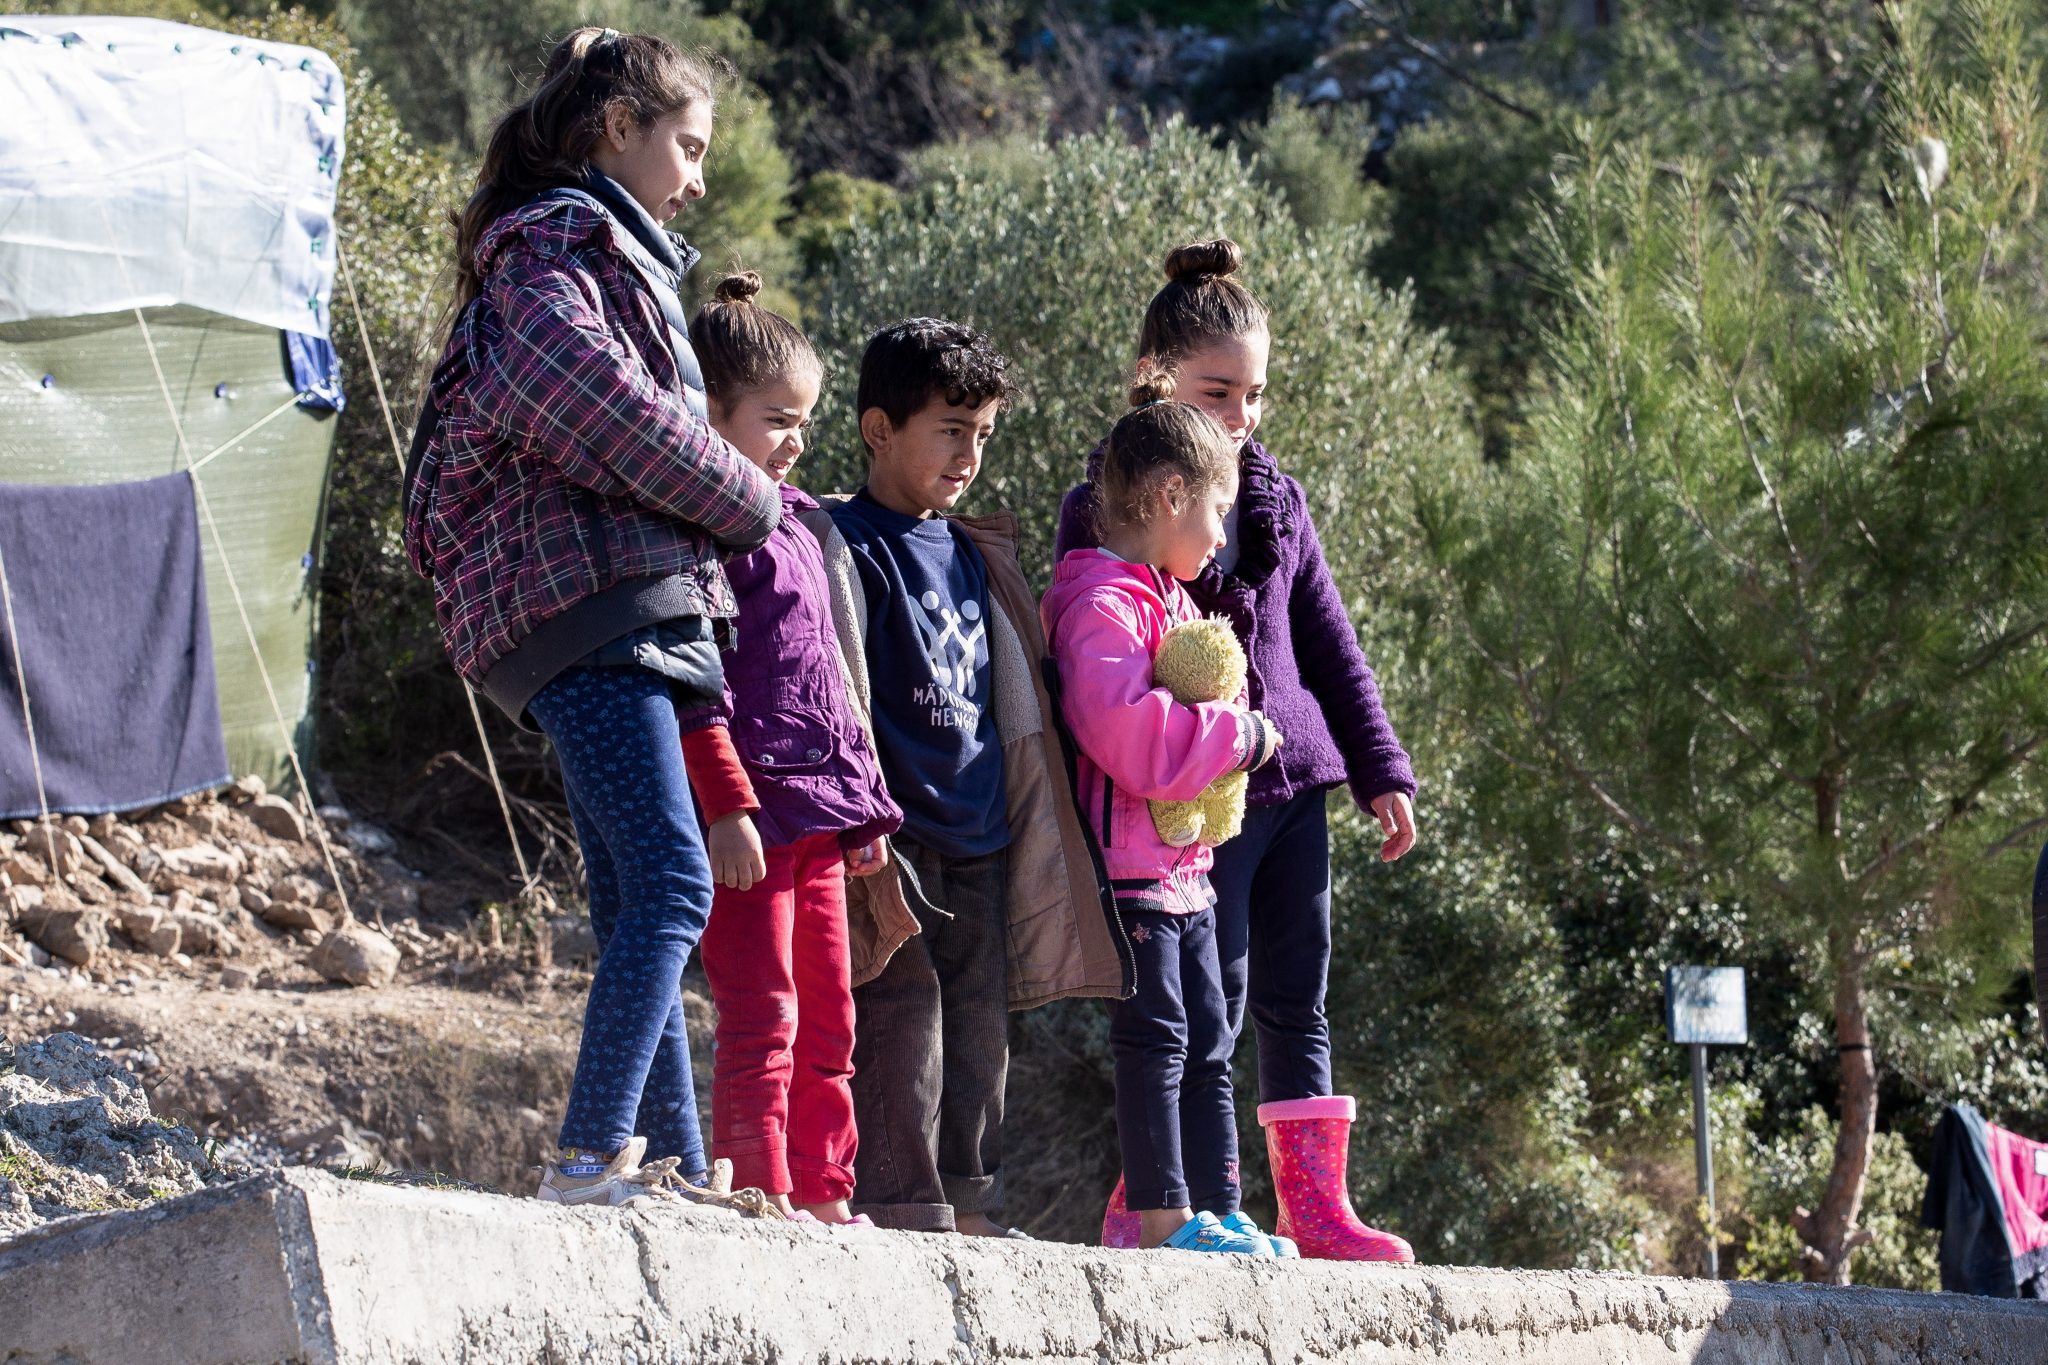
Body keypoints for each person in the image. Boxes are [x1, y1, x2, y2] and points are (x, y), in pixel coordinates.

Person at [403, 27, 780, 1207]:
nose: (701, 177)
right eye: (689, 144)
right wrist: (747, 498)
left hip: (609, 608)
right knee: (674, 885)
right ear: (619, 129)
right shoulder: (557, 245)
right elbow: (580, 398)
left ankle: (663, 1170)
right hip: (587, 608)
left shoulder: (600, 252)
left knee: (633, 895)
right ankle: (583, 1158)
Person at [1054, 239, 1419, 1261]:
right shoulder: (1114, 508)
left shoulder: (1278, 498)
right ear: (1152, 377)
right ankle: (1172, 1195)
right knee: (1200, 1010)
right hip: (1191, 805)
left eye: (1254, 394)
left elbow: (1329, 642)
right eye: (1219, 390)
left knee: (1296, 998)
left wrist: (1379, 768)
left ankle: (1315, 1215)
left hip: (1291, 779)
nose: (1242, 415)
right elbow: (1099, 665)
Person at [794, 317, 1132, 1236]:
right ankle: (902, 1201)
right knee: (901, 1022)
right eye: (950, 429)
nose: (969, 454)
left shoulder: (977, 552)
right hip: (893, 838)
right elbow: (835, 688)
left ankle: (968, 1200)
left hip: (984, 828)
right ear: (878, 430)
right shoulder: (842, 541)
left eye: (983, 434)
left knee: (982, 1033)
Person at [1041, 368, 1293, 1257]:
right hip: (1131, 871)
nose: (1221, 536)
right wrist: (1239, 734)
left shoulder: (1169, 600)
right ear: (1170, 493)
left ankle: (1218, 1207)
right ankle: (1160, 1219)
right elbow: (1136, 741)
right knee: (1158, 1038)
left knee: (1213, 1040)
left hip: (1184, 868)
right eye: (1214, 514)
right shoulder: (1100, 607)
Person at [683, 273, 902, 1226]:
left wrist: (862, 815)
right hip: (750, 825)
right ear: (707, 412)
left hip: (818, 823)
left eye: (805, 419)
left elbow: (832, 684)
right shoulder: (695, 533)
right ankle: (756, 1189)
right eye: (777, 418)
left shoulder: (803, 523)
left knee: (830, 1012)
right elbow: (695, 684)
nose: (797, 439)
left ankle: (824, 1193)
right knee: (763, 1010)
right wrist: (726, 803)